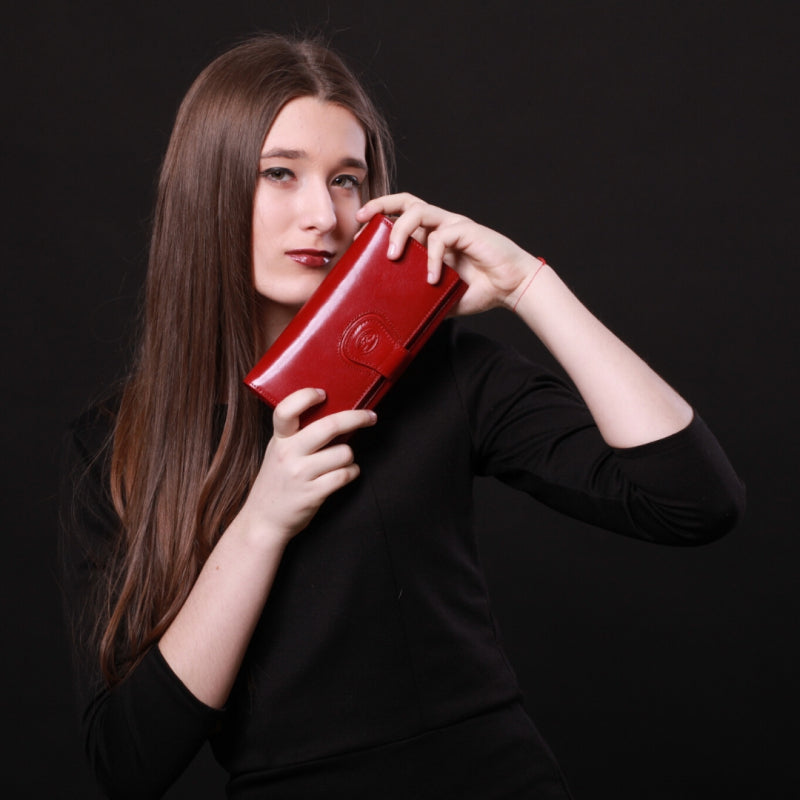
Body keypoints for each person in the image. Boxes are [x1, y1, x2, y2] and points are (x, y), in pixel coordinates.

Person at [58, 33, 745, 800]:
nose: (322, 213)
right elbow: (127, 763)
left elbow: (695, 501)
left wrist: (530, 288)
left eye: (346, 179)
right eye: (279, 174)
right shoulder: (118, 446)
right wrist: (263, 520)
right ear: (207, 190)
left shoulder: (440, 372)